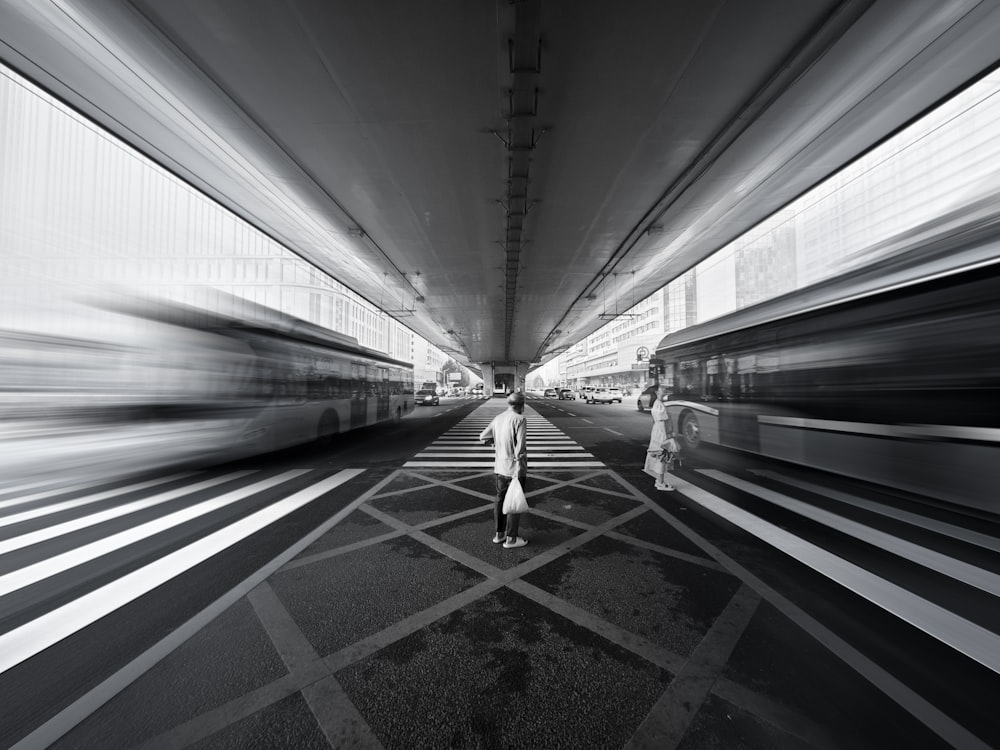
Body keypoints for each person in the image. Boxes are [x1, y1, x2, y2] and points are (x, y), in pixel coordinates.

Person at [479, 391, 529, 548]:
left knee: (500, 500)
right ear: (521, 405)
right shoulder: (520, 419)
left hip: (500, 468)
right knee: (514, 501)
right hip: (514, 469)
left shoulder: (498, 418)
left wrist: (494, 444)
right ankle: (511, 539)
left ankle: (499, 535)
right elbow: (519, 449)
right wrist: (518, 465)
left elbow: (483, 437)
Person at [643, 384, 676, 491]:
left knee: (662, 457)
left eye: (666, 391)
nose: (665, 393)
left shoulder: (660, 404)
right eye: (663, 391)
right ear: (657, 393)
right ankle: (660, 483)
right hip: (661, 434)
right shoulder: (658, 405)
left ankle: (659, 481)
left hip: (661, 433)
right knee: (662, 457)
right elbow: (661, 422)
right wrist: (666, 437)